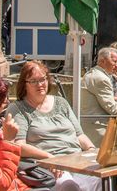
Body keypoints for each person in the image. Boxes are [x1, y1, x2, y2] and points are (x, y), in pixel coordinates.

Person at [6, 62, 101, 191]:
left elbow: (79, 135)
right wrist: (50, 158)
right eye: (33, 81)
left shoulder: (61, 102)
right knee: (69, 185)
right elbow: (19, 145)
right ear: (24, 84)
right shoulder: (18, 109)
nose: (40, 84)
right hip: (47, 165)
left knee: (102, 178)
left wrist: (92, 150)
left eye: (42, 79)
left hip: (76, 160)